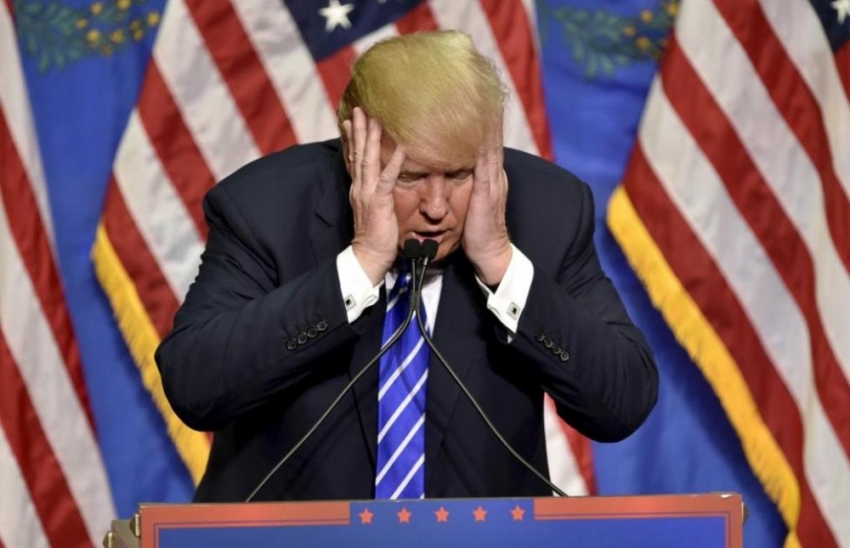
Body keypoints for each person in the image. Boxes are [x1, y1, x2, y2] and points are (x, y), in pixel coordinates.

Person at [155, 30, 658, 503]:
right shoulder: (266, 207)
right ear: (356, 151)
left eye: (459, 174)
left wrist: (501, 264)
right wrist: (360, 265)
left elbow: (622, 402)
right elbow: (195, 387)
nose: (436, 206)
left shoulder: (546, 211)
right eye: (411, 177)